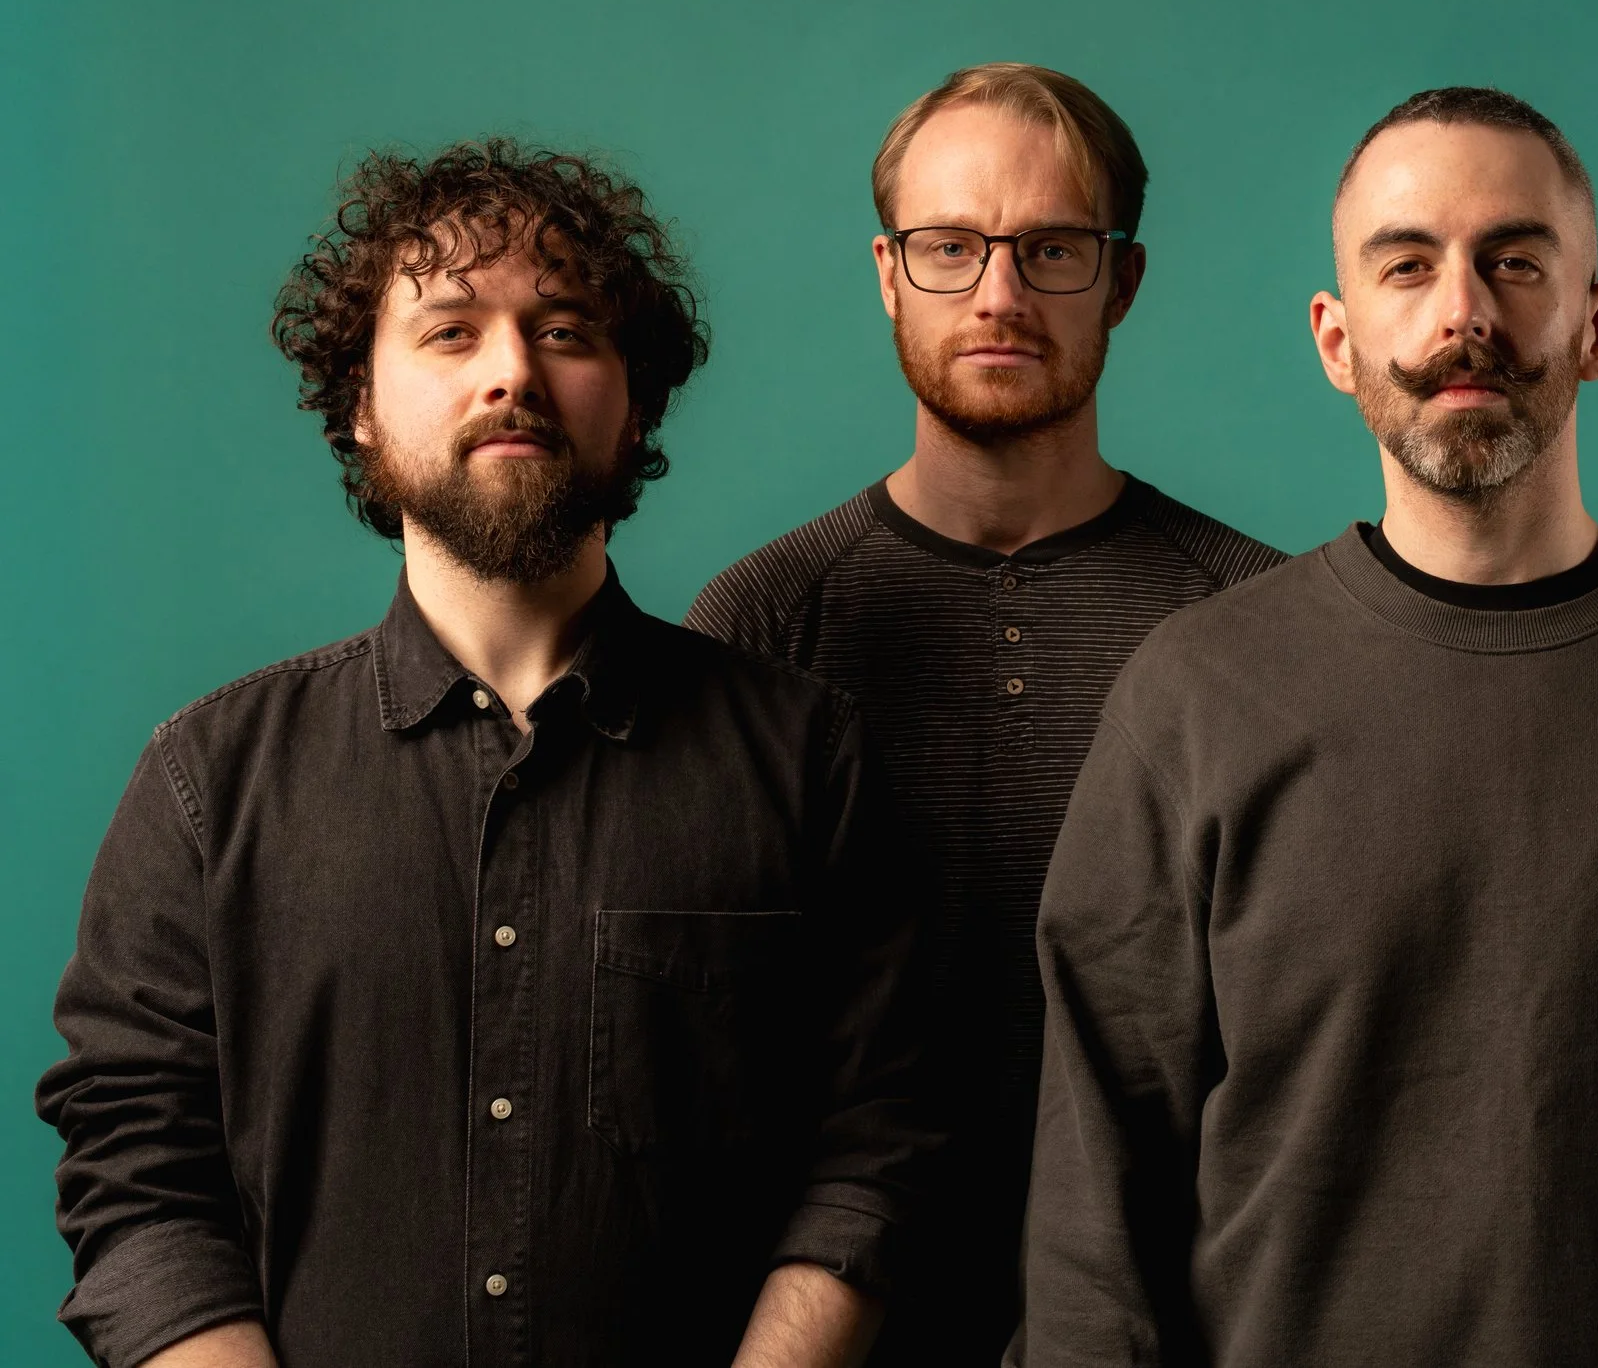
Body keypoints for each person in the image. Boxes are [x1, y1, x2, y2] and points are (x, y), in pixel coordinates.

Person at [1015, 87, 1598, 1367]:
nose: (1462, 312)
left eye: (1514, 262)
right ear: (1335, 337)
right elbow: (1094, 1220)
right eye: (1405, 266)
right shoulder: (1196, 701)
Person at [37, 141, 935, 1368]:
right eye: (451, 332)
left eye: (565, 330)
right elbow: (136, 1180)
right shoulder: (208, 783)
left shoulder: (802, 760)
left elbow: (874, 1146)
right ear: (361, 402)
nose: (512, 372)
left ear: (637, 397)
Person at [685, 64, 1280, 1367]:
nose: (999, 295)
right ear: (890, 273)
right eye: (952, 248)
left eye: (1052, 249)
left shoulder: (1260, 625)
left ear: (1122, 282)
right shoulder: (761, 625)